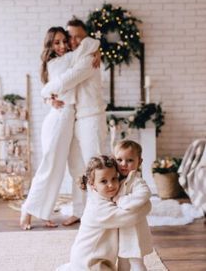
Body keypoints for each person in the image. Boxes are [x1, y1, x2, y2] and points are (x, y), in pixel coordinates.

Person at [20, 27, 100, 230]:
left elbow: (89, 47)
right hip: (59, 120)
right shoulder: (59, 62)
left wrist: (98, 51)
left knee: (65, 169)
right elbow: (87, 48)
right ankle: (27, 210)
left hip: (68, 119)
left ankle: (44, 212)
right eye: (57, 42)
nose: (63, 46)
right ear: (49, 45)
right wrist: (95, 50)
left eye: (65, 41)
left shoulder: (64, 59)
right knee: (50, 168)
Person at [41, 17, 107, 226]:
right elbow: (60, 80)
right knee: (77, 169)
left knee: (96, 167)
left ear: (86, 36)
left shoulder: (87, 58)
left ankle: (100, 211)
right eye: (71, 36)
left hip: (91, 117)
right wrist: (48, 98)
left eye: (79, 36)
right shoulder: (74, 57)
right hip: (75, 119)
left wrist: (45, 91)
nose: (74, 40)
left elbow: (66, 80)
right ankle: (80, 211)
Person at [56, 155, 152, 271]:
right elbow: (133, 216)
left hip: (100, 260)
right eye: (103, 181)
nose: (111, 185)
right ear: (92, 185)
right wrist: (147, 204)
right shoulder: (98, 209)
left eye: (114, 179)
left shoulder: (104, 198)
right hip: (89, 262)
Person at [114, 139, 153, 271]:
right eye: (119, 160)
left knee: (136, 262)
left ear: (139, 162)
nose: (124, 164)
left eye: (130, 160)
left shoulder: (136, 181)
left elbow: (144, 194)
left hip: (134, 230)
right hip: (120, 229)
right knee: (122, 262)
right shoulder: (116, 179)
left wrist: (121, 200)